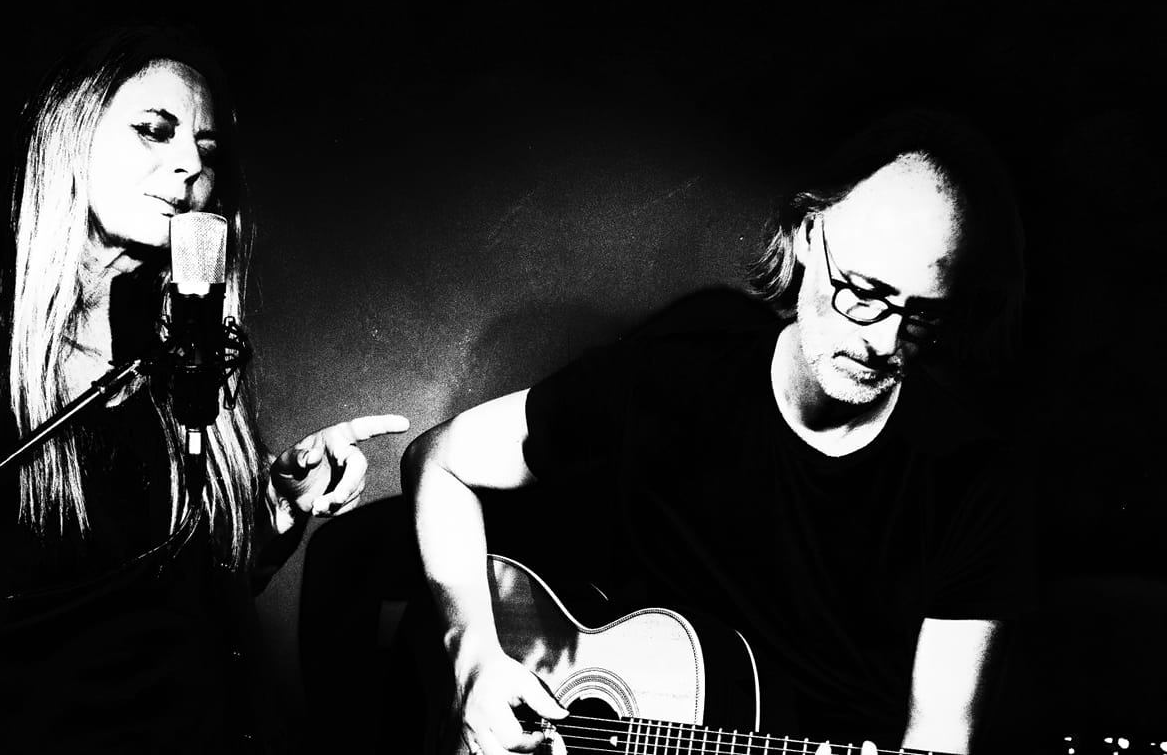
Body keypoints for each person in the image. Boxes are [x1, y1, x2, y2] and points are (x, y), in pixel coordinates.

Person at [0, 24, 407, 752]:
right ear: (69, 136)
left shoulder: (184, 348)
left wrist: (275, 510)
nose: (190, 166)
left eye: (208, 151)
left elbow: (177, 602)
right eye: (155, 130)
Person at [405, 110, 1032, 754]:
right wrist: (473, 658)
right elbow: (438, 461)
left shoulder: (973, 484)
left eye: (923, 316)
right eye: (864, 293)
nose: (884, 341)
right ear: (806, 234)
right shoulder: (666, 379)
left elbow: (941, 739)